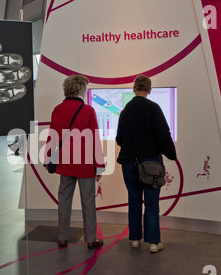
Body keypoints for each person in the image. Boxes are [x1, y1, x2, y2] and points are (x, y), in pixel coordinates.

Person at [116, 75, 176, 253]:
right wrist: (171, 154)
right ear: (149, 90)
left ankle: (134, 239)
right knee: (151, 202)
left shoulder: (125, 111)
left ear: (134, 88)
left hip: (128, 162)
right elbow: (163, 134)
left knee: (134, 200)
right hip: (151, 163)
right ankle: (153, 242)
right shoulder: (154, 108)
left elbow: (119, 139)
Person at [44, 75, 105, 250]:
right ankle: (91, 239)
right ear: (81, 90)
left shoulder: (57, 109)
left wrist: (48, 158)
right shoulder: (88, 111)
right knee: (88, 202)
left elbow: (52, 136)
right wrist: (99, 166)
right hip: (85, 164)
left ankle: (62, 238)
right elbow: (95, 140)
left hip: (65, 163)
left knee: (64, 200)